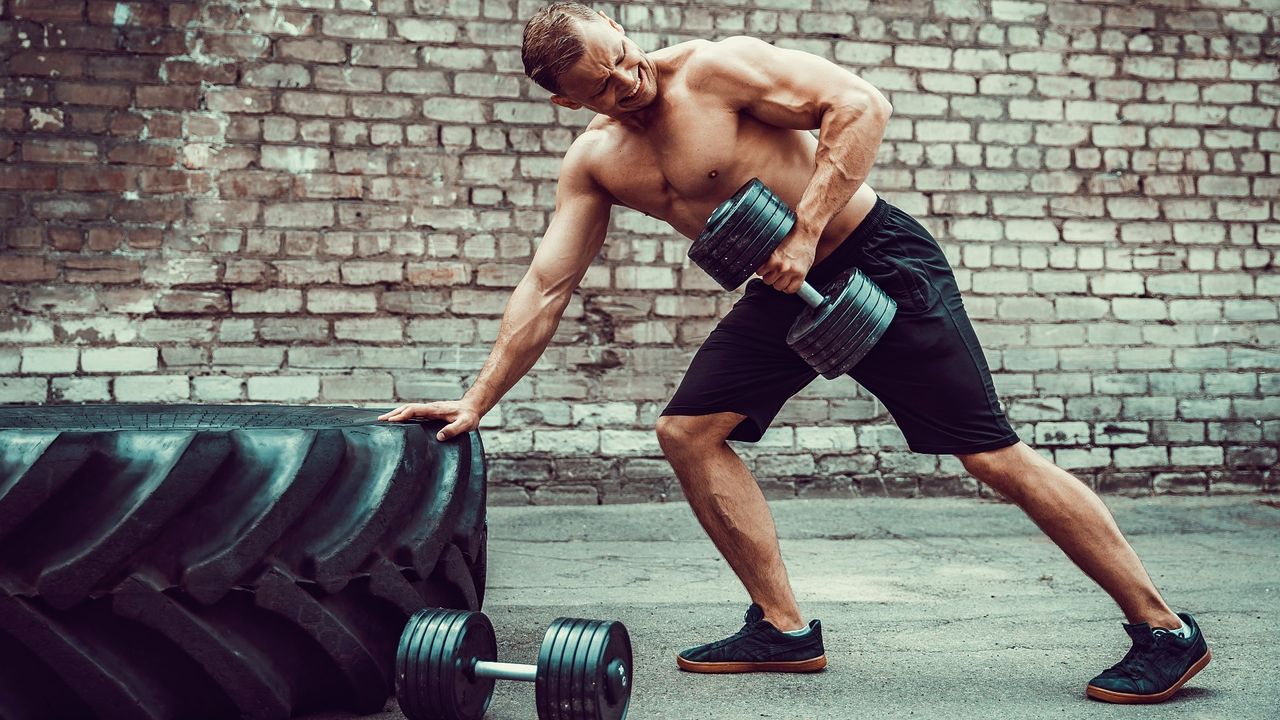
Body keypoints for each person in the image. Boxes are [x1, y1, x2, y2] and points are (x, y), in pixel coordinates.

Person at [379, 2, 1211, 704]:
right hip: (782, 288)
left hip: (873, 257)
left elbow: (861, 106)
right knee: (688, 431)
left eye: (627, 57)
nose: (634, 80)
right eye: (606, 84)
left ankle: (1164, 628)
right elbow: (547, 284)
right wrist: (479, 398)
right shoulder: (597, 161)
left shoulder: (715, 69)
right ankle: (783, 629)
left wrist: (807, 231)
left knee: (991, 457)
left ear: (625, 34)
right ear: (567, 101)